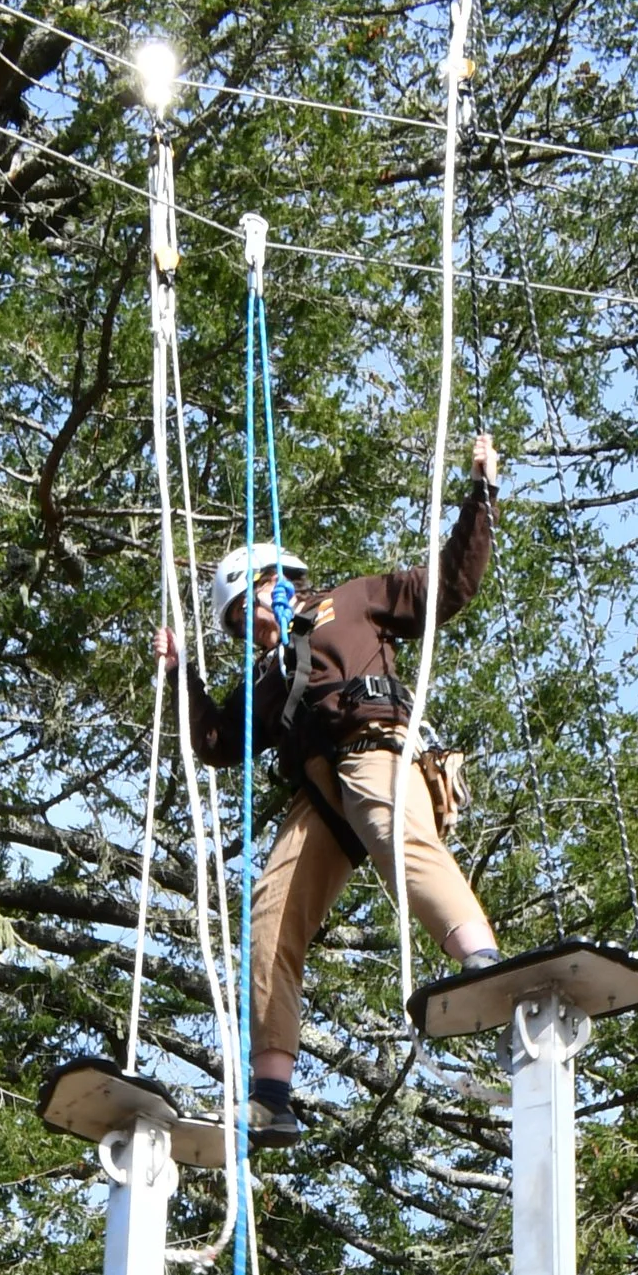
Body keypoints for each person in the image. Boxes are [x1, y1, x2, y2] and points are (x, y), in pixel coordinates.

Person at [158, 435, 507, 1143]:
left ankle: (482, 961)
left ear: (273, 582)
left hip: (373, 747)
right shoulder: (264, 678)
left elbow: (448, 585)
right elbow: (218, 743)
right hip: (320, 793)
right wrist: (180, 676)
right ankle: (272, 1093)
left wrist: (481, 495)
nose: (250, 630)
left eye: (248, 612)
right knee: (269, 914)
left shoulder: (350, 602)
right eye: (238, 626)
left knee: (391, 828)